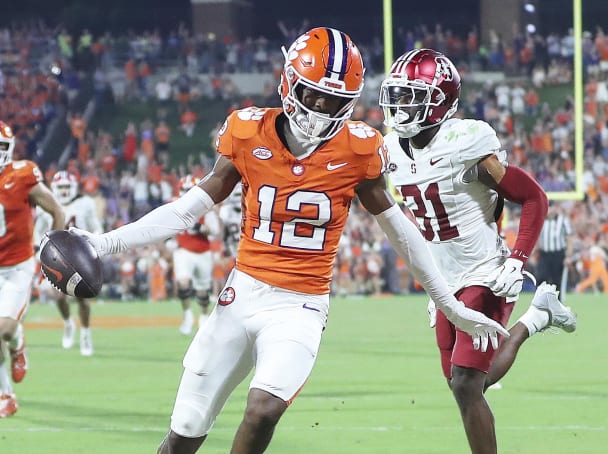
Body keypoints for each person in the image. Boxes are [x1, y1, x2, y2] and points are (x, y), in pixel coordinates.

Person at [66, 28, 508, 453]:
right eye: (313, 93)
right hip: (241, 295)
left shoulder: (358, 148)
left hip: (301, 305)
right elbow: (185, 210)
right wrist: (104, 243)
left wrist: (450, 304)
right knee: (185, 432)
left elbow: (401, 231)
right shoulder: (246, 130)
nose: (319, 108)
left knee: (264, 409)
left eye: (333, 100)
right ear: (289, 82)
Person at [379, 49, 578, 454]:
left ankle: (534, 316)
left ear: (440, 101)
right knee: (462, 383)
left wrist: (517, 259)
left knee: (468, 385)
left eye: (412, 96)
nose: (401, 105)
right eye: (398, 95)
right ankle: (537, 317)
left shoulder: (466, 141)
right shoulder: (391, 148)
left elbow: (534, 197)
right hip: (442, 278)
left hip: (484, 268)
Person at [0, 121, 65, 417]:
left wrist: (55, 253)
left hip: (16, 266)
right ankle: (6, 396)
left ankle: (18, 340)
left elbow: (56, 210)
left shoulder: (22, 174)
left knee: (4, 329)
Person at [43, 170, 103, 356]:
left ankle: (85, 334)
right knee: (58, 296)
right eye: (60, 187)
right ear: (54, 188)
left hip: (81, 257)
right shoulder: (46, 203)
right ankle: (68, 323)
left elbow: (96, 227)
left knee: (83, 298)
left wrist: (97, 245)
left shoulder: (85, 204)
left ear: (74, 187)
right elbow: (38, 231)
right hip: (57, 259)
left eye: (67, 187)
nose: (64, 191)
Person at [173, 175, 221, 335]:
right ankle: (187, 314)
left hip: (203, 252)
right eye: (184, 190)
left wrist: (202, 228)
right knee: (183, 282)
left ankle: (202, 315)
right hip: (184, 250)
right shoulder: (175, 206)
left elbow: (215, 231)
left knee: (203, 290)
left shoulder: (207, 208)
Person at [537, 201, 574, 297]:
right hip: (544, 254)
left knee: (556, 280)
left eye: (551, 207)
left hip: (558, 254)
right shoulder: (540, 220)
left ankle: (558, 303)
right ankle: (542, 301)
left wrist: (568, 256)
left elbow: (569, 239)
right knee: (541, 277)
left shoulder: (562, 220)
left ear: (555, 208)